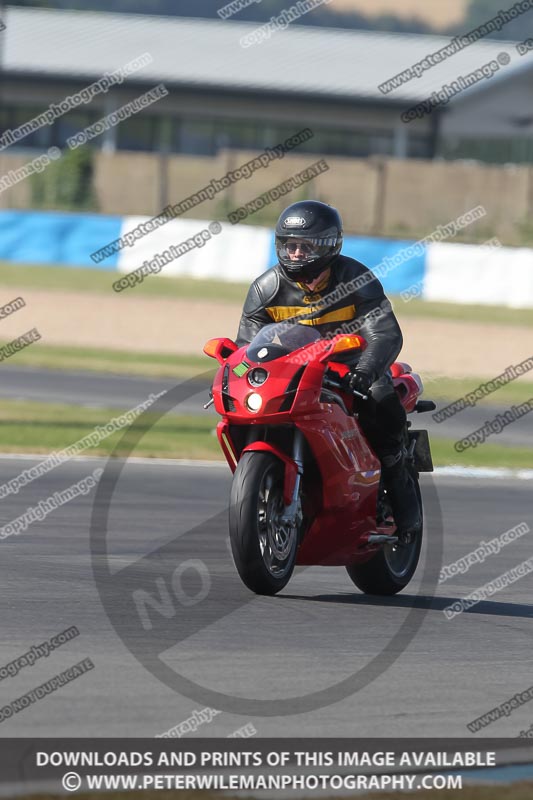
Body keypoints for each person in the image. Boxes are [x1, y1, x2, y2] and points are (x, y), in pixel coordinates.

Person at [235, 199, 421, 540]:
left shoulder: (356, 279)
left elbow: (384, 333)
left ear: (327, 246)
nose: (294, 254)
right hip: (292, 373)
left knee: (380, 400)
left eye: (304, 247)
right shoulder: (266, 288)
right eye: (289, 246)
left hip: (349, 369)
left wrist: (364, 373)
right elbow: (247, 349)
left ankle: (398, 482)